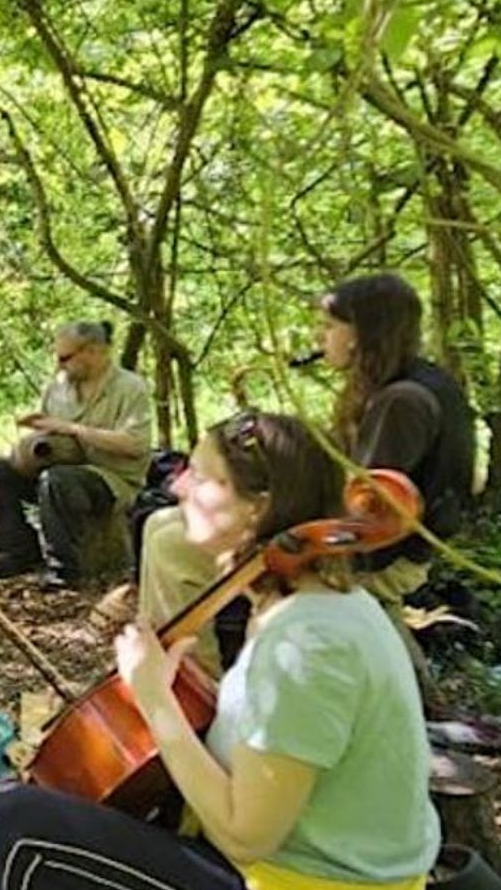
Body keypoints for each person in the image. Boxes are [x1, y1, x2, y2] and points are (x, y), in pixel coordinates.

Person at [0, 411, 439, 890]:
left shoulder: (306, 646)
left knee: (20, 824)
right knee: (48, 807)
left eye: (200, 475)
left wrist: (153, 697)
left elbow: (247, 836)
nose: (177, 484)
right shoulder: (313, 607)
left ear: (259, 507)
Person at [137, 273, 474, 675]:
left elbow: (359, 511)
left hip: (377, 559)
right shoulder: (412, 382)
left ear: (362, 333)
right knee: (161, 521)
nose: (320, 338)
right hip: (364, 544)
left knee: (172, 543)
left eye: (330, 326)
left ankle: (192, 686)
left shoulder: (402, 402)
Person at [0, 321, 153, 588]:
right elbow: (49, 436)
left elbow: (135, 444)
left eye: (65, 358)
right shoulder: (58, 387)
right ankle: (18, 551)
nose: (59, 365)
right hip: (61, 469)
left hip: (111, 478)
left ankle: (66, 568)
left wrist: (74, 429)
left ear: (93, 352)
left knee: (57, 480)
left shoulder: (129, 388)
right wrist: (29, 445)